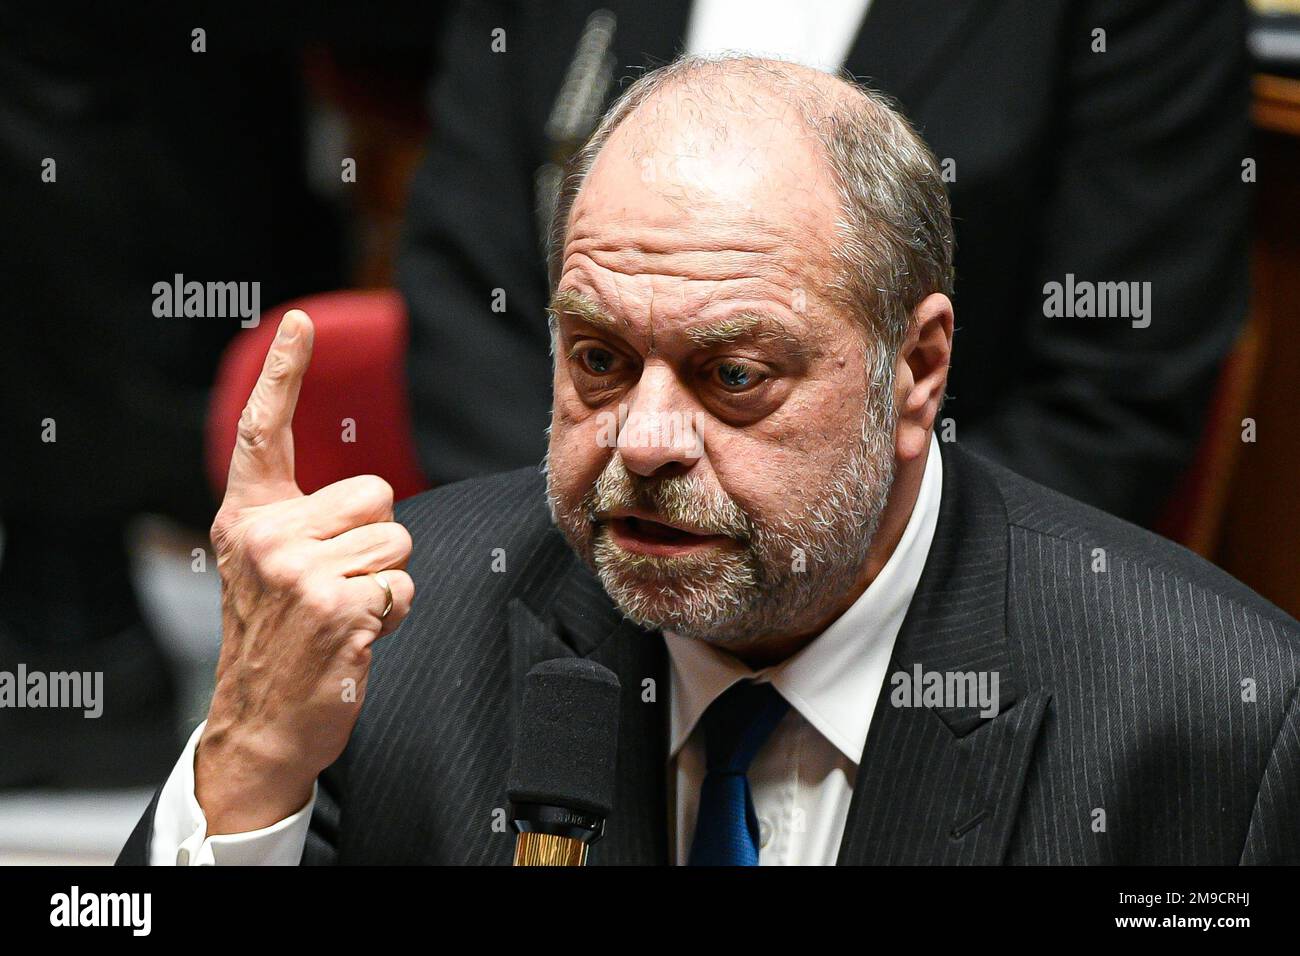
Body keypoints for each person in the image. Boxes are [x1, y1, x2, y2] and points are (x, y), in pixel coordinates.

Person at [122, 57, 1297, 866]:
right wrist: (248, 756)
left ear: (917, 368)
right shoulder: (391, 642)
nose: (641, 440)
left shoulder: (1209, 723)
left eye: (734, 376)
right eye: (596, 356)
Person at [401, 0, 1250, 526]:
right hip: (566, 569)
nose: (653, 440)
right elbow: (467, 293)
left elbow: (1113, 392)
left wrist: (852, 588)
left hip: (926, 603)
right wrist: (582, 546)